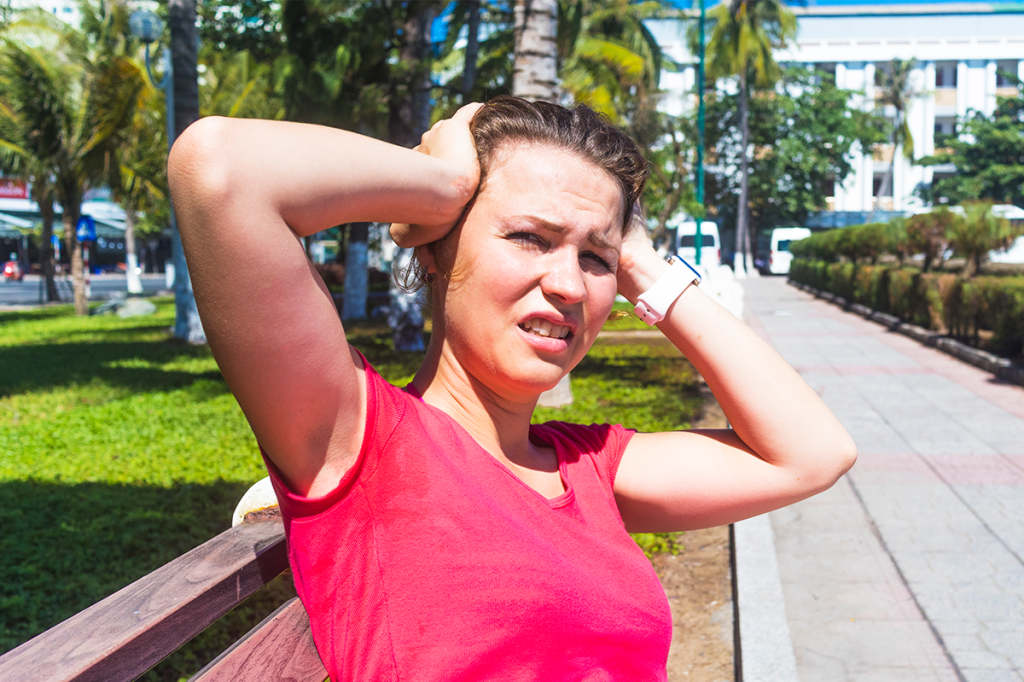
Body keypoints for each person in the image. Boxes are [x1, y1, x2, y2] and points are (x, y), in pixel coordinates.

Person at [168, 96, 856, 681]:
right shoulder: (360, 437)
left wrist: (637, 258)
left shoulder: (590, 469)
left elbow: (810, 455)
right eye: (529, 237)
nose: (567, 285)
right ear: (436, 248)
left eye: (593, 260)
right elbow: (221, 167)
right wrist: (444, 180)